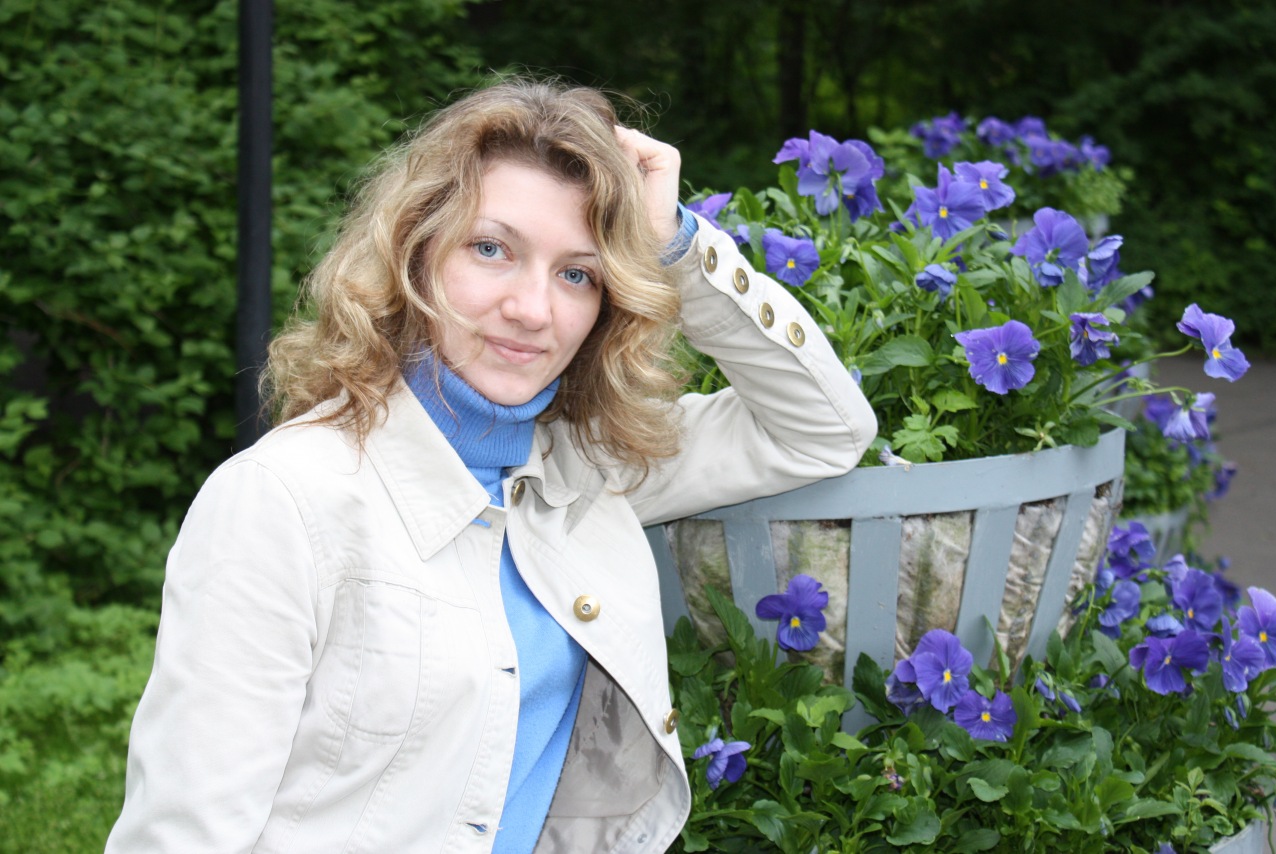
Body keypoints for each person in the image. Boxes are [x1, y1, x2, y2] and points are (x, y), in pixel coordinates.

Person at [106, 77, 876, 853]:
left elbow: (823, 429)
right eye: (491, 249)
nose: (533, 310)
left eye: (577, 273)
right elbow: (182, 835)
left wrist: (676, 244)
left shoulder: (589, 467)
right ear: (416, 251)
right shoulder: (283, 500)